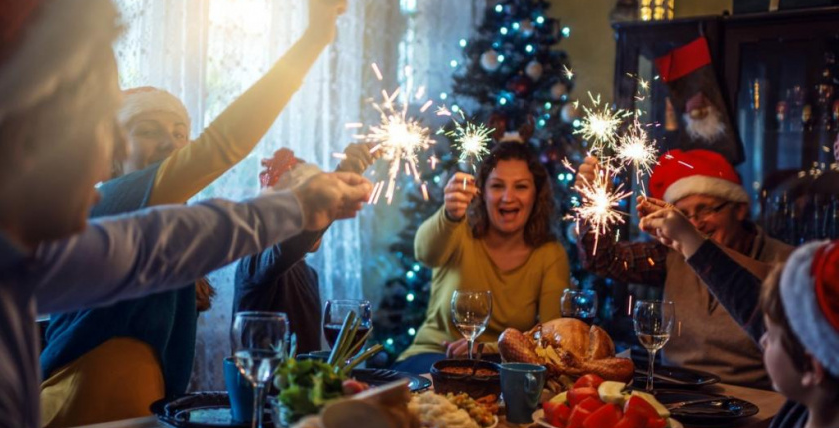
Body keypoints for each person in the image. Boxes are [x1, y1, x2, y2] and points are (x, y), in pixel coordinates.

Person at [0, 0, 370, 428]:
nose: (173, 144)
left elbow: (174, 240)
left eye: (180, 131)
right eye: (102, 122)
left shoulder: (34, 260)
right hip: (83, 423)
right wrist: (311, 42)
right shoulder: (110, 199)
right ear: (29, 131)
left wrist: (296, 207)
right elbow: (218, 153)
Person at [576, 149, 793, 389]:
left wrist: (692, 240)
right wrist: (593, 202)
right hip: (679, 393)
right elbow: (603, 259)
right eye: (684, 216)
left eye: (706, 209)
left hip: (758, 401)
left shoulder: (787, 261)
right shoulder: (673, 253)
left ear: (739, 209)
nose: (696, 224)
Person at [638, 210, 839, 428]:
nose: (762, 338)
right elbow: (744, 298)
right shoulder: (807, 405)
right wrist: (688, 240)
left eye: (771, 336)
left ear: (812, 367)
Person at [394, 139, 571, 374]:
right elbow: (425, 253)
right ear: (482, 192)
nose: (508, 197)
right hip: (432, 356)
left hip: (498, 366)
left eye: (521, 186)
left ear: (536, 194)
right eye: (497, 186)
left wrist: (486, 349)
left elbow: (552, 335)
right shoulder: (458, 228)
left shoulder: (549, 253)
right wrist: (449, 215)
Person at [233, 144, 376, 354]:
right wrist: (349, 169)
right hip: (262, 383)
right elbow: (290, 246)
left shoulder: (308, 274)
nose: (315, 219)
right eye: (304, 210)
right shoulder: (254, 261)